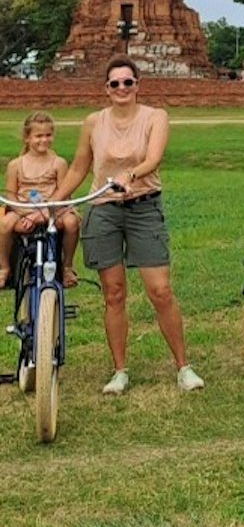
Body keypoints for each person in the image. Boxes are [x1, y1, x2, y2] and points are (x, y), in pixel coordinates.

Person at [54, 58, 204, 394]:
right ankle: (120, 370)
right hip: (103, 209)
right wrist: (56, 202)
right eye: (115, 84)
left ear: (138, 85)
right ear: (106, 89)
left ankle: (184, 366)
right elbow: (79, 168)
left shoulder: (155, 117)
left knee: (160, 291)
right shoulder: (94, 122)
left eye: (128, 82)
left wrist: (130, 175)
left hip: (143, 205)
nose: (122, 89)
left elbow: (153, 159)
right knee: (114, 293)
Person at [0, 112, 81, 289]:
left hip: (53, 208)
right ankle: (4, 268)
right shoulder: (16, 165)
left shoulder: (58, 163)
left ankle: (67, 266)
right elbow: (11, 195)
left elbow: (64, 194)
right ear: (27, 138)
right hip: (23, 208)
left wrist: (45, 214)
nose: (43, 140)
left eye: (48, 135)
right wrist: (24, 214)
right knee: (4, 224)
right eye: (38, 136)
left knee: (72, 222)